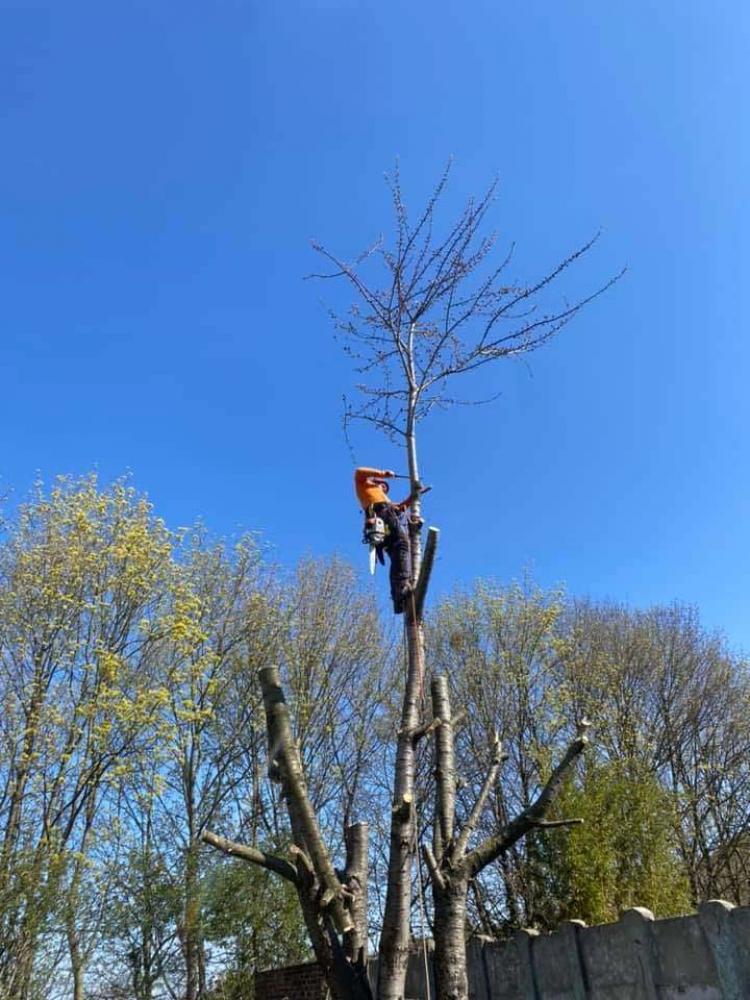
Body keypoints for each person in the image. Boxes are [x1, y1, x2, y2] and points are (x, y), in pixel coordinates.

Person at [354, 467, 416, 614]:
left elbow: (399, 509)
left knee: (397, 554)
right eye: (382, 485)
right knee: (402, 544)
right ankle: (402, 587)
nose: (384, 488)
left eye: (386, 488)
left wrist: (414, 496)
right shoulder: (365, 485)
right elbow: (359, 471)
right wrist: (383, 474)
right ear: (375, 481)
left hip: (384, 520)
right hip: (381, 516)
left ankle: (398, 597)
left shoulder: (384, 499)